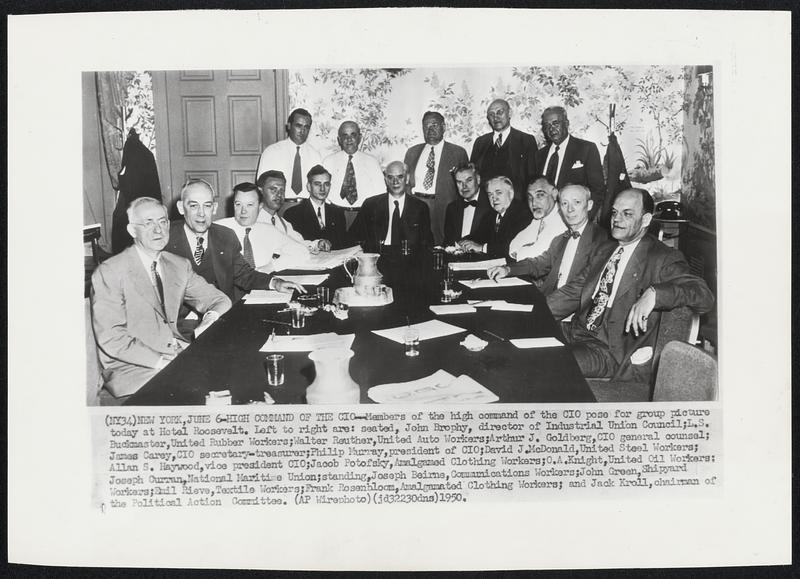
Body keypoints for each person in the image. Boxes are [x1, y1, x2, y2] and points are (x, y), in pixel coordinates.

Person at [547, 188, 714, 383]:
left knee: (548, 362)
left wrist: (655, 294)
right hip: (576, 331)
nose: (617, 219)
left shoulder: (662, 257)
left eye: (627, 214)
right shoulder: (605, 249)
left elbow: (703, 295)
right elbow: (572, 292)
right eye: (615, 212)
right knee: (523, 341)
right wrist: (534, 314)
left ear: (645, 220)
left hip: (608, 350)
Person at [91, 197, 231, 401]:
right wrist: (164, 363)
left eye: (163, 221)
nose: (158, 230)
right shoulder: (110, 272)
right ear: (132, 230)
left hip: (176, 354)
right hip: (133, 368)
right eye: (148, 223)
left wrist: (209, 319)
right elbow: (112, 339)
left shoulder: (178, 265)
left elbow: (220, 300)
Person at [166, 179, 305, 304]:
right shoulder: (165, 238)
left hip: (222, 313)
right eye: (193, 206)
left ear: (214, 208)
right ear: (180, 207)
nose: (201, 213)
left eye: (207, 205)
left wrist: (275, 283)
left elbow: (244, 274)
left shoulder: (225, 236)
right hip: (181, 322)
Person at [488, 184, 609, 297]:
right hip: (550, 299)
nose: (570, 209)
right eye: (564, 203)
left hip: (568, 312)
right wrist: (508, 269)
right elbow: (538, 264)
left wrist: (543, 309)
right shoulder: (562, 239)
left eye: (576, 202)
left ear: (589, 205)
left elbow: (577, 291)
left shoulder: (601, 239)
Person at [404, 111, 469, 245]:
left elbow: (465, 186)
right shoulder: (412, 152)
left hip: (443, 208)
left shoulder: (458, 153)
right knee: (416, 246)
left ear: (444, 127)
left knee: (442, 246)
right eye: (426, 126)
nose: (430, 129)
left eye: (434, 124)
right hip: (416, 205)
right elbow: (404, 182)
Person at [215, 182, 309, 271]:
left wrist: (272, 266)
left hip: (261, 284)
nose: (243, 211)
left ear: (260, 207)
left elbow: (302, 252)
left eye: (250, 205)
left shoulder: (268, 231)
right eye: (238, 204)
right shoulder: (218, 228)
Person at [535, 106, 605, 219]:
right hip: (543, 218)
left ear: (566, 123)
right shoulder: (539, 155)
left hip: (574, 217)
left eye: (555, 123)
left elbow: (598, 190)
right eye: (547, 125)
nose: (551, 129)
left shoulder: (586, 149)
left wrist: (584, 221)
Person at [349, 161, 433, 254]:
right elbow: (354, 236)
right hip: (377, 258)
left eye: (400, 176)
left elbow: (427, 243)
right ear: (385, 180)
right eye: (390, 177)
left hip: (409, 261)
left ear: (407, 178)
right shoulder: (370, 205)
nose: (395, 181)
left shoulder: (420, 207)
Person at [469, 99, 538, 201]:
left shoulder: (526, 141)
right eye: (491, 115)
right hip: (485, 205)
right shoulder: (480, 143)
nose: (496, 117)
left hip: (516, 204)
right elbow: (473, 177)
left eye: (500, 112)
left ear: (509, 113)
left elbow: (533, 179)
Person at [323, 121, 385, 228]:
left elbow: (381, 195)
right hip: (335, 214)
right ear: (339, 140)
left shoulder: (372, 162)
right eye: (344, 135)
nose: (349, 139)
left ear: (359, 138)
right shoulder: (328, 161)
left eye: (353, 135)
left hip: (364, 216)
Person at [458, 175, 532, 259]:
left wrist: (481, 248)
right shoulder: (490, 215)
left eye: (498, 193)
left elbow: (511, 246)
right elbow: (477, 236)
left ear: (511, 193)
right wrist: (461, 243)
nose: (494, 198)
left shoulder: (523, 214)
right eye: (490, 194)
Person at [256, 108, 322, 201]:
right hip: (280, 205)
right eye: (298, 126)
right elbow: (261, 186)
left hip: (306, 207)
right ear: (289, 126)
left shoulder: (315, 155)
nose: (302, 131)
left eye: (306, 127)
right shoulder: (271, 152)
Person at [284, 165, 351, 250]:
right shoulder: (293, 214)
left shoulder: (338, 213)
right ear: (308, 186)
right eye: (317, 184)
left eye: (326, 184)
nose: (322, 189)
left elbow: (342, 244)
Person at [507, 176, 568, 261]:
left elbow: (538, 254)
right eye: (530, 197)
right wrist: (530, 247)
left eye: (540, 195)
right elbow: (513, 245)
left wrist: (522, 250)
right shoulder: (539, 219)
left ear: (554, 194)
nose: (533, 203)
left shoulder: (563, 219)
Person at [443, 162, 492, 246]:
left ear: (478, 179)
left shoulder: (491, 204)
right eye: (459, 182)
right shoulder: (452, 208)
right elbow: (448, 242)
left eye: (469, 180)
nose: (464, 186)